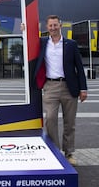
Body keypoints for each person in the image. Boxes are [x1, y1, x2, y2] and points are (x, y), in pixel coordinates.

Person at [34, 15, 88, 166]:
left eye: (55, 25)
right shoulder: (43, 42)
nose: (53, 28)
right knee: (50, 119)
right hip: (50, 86)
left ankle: (69, 152)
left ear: (60, 26)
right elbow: (28, 42)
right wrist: (24, 30)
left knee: (69, 122)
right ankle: (55, 150)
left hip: (69, 87)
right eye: (50, 26)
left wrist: (83, 89)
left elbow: (79, 67)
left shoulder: (71, 44)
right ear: (47, 27)